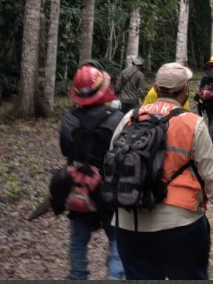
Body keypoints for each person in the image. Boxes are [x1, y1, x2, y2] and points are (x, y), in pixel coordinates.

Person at [113, 62, 213, 280]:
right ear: (184, 91)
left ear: (156, 89)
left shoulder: (129, 118)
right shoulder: (192, 123)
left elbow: (112, 164)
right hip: (180, 223)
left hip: (129, 222)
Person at [59, 62, 126, 280]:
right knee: (116, 238)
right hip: (110, 191)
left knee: (78, 240)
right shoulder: (118, 119)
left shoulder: (68, 120)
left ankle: (78, 276)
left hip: (80, 188)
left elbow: (65, 149)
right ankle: (115, 277)